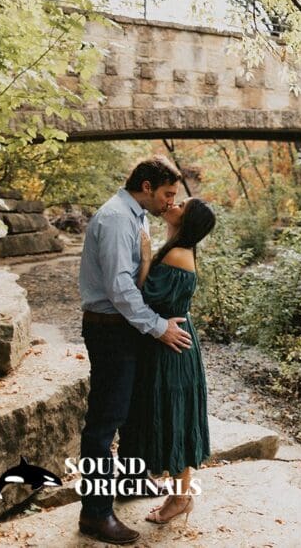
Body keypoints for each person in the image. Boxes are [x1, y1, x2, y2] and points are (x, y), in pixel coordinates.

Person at [77, 156, 192, 546]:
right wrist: (159, 328)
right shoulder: (115, 219)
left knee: (130, 413)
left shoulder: (137, 215)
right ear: (146, 187)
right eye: (167, 194)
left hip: (126, 330)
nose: (169, 203)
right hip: (109, 330)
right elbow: (120, 288)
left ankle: (127, 480)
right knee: (104, 422)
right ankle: (94, 514)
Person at [119, 196, 215, 525]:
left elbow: (144, 294)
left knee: (175, 418)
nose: (173, 204)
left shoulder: (176, 253)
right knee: (175, 416)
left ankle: (180, 499)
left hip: (173, 345)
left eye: (181, 205)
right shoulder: (177, 248)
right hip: (172, 341)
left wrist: (145, 258)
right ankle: (178, 495)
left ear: (186, 220)